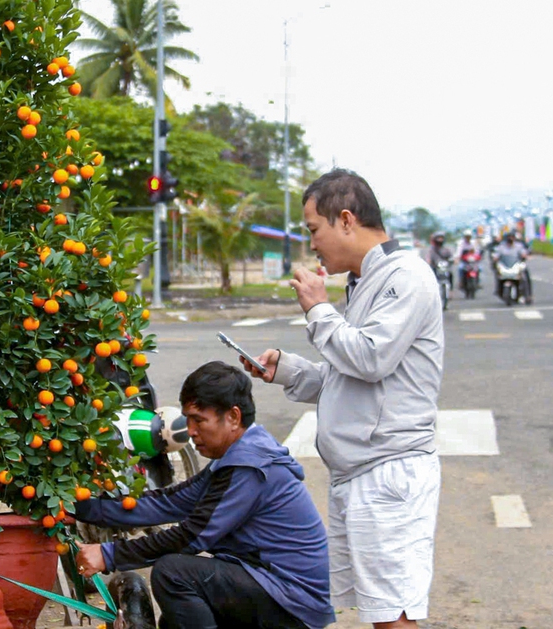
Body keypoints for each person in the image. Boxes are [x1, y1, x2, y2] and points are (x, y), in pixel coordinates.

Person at [242, 169, 443, 629]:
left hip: (388, 471)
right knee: (379, 612)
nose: (311, 244)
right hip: (360, 471)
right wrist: (288, 371)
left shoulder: (405, 276)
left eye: (314, 230)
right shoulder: (365, 280)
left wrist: (317, 309)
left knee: (394, 616)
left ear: (346, 220)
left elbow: (371, 358)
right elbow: (351, 377)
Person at [74, 362, 335, 629]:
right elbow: (169, 502)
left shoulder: (249, 466)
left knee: (173, 573)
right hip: (271, 586)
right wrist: (80, 509)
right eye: (187, 419)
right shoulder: (235, 457)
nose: (191, 431)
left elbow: (192, 536)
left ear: (233, 417)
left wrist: (109, 554)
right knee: (175, 620)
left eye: (199, 420)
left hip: (292, 602)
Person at [492, 231, 531, 302]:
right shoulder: (501, 247)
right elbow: (496, 255)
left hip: (516, 266)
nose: (510, 239)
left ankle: (528, 295)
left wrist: (525, 256)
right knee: (497, 275)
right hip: (505, 266)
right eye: (509, 237)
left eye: (512, 237)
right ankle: (498, 290)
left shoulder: (518, 246)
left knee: (525, 277)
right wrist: (495, 259)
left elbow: (523, 253)